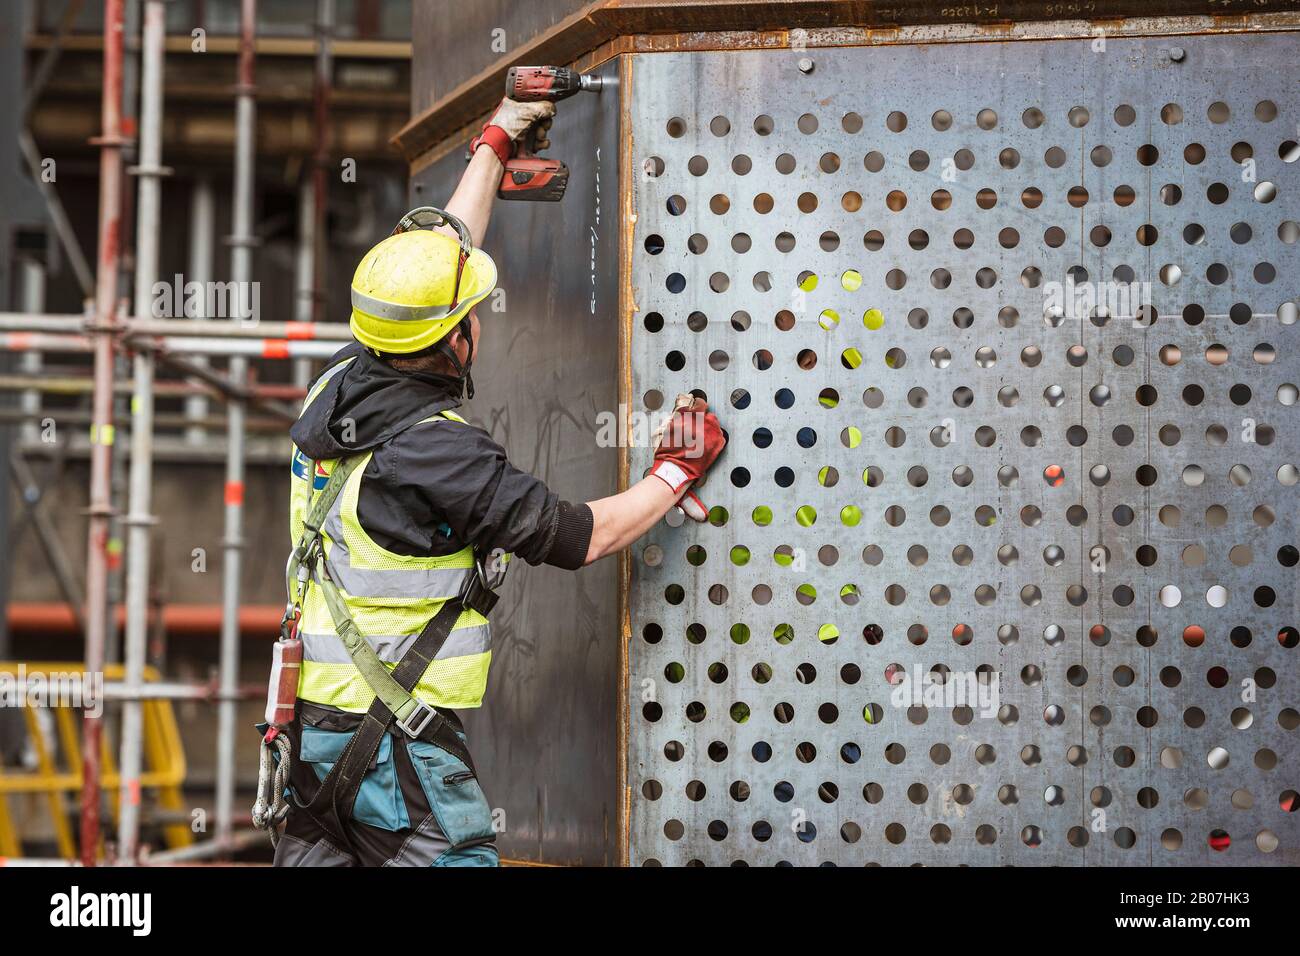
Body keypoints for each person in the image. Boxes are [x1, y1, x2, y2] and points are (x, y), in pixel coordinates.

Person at [269, 96, 726, 866]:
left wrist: (496, 139)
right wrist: (674, 471)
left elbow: (444, 247)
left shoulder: (338, 387)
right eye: (474, 312)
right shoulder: (439, 453)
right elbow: (579, 536)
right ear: (456, 338)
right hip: (397, 753)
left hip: (313, 739)